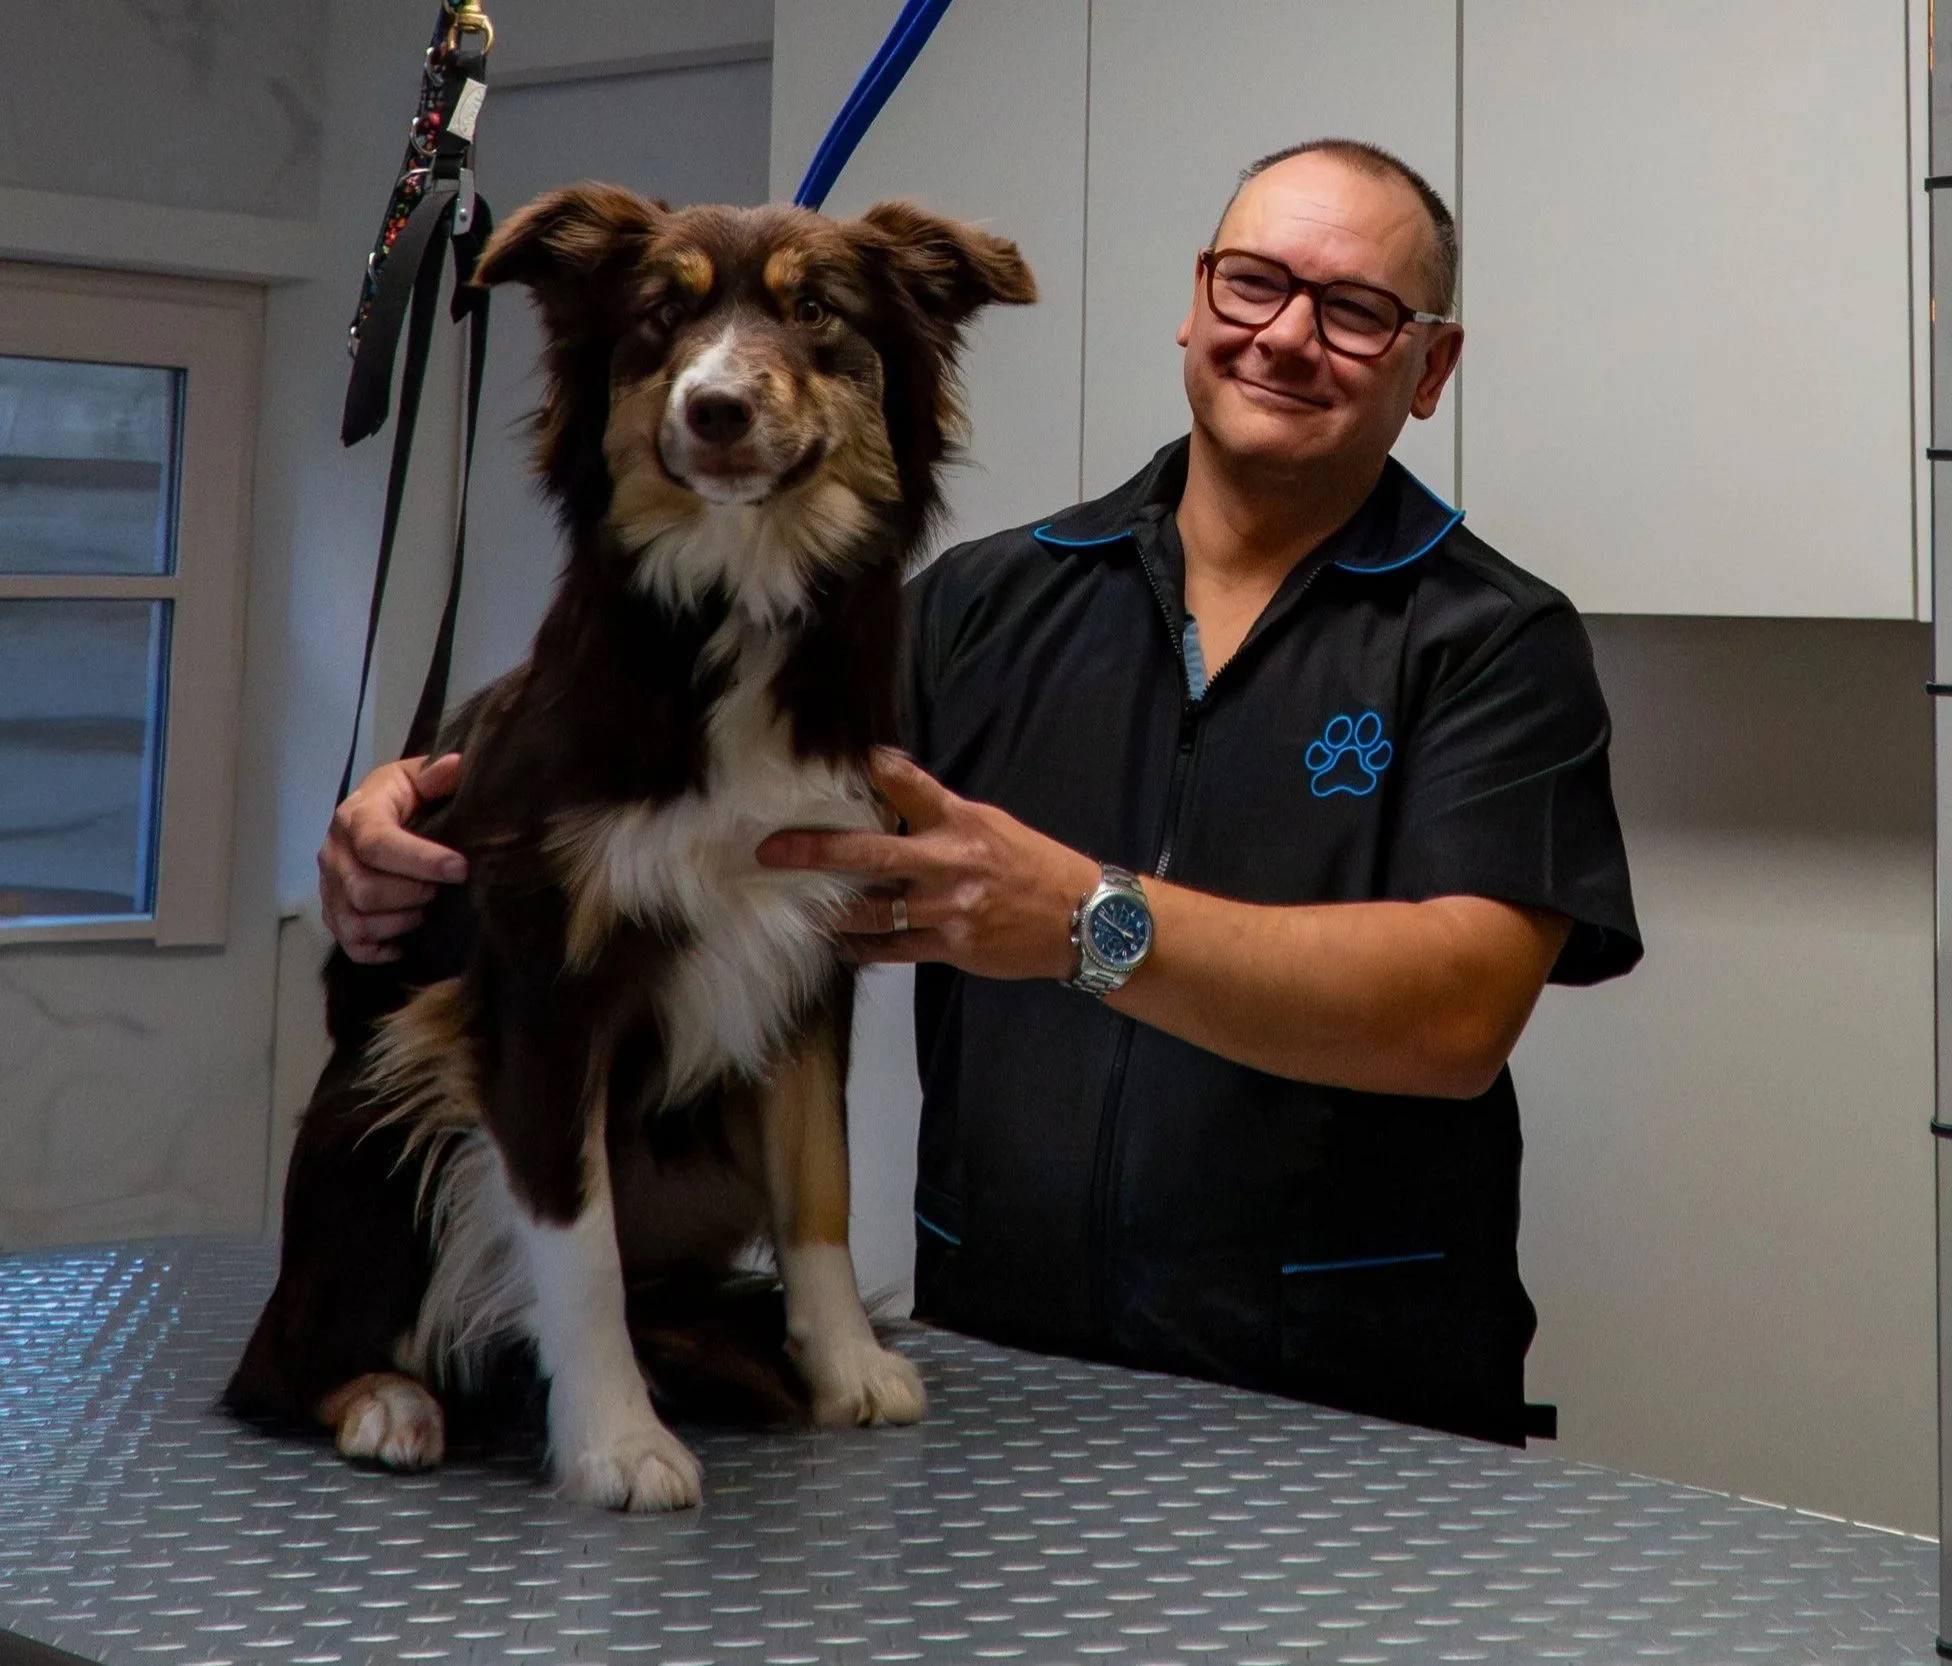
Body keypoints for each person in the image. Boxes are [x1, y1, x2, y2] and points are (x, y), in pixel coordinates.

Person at [320, 138, 1641, 1444]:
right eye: (1253, 283)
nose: (1286, 334)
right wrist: (414, 804)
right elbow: (676, 750)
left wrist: (1086, 923)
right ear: (1194, 304)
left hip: (1352, 1404)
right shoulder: (987, 606)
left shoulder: (1490, 638)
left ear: (1431, 367)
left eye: (1355, 309)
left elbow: (1456, 1015)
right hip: (1012, 1380)